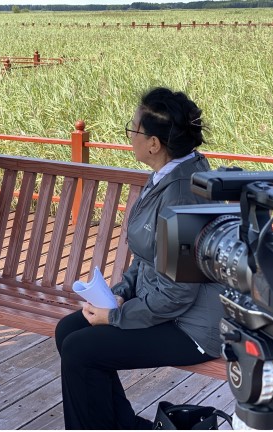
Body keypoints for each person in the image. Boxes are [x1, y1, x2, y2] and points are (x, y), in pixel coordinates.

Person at [55, 87, 226, 430]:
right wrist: (120, 293)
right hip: (166, 308)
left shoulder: (182, 196)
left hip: (191, 328)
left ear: (154, 144)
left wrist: (116, 316)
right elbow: (146, 256)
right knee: (69, 330)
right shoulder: (167, 175)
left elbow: (178, 293)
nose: (129, 135)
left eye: (133, 129)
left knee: (81, 351)